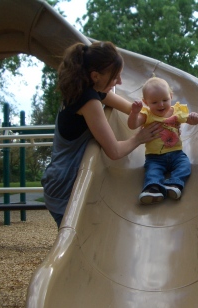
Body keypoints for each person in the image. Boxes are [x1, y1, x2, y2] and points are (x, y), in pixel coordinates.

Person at [41, 41, 161, 228]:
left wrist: (158, 111)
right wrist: (139, 138)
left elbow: (131, 108)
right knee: (76, 243)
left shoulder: (91, 90)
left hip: (60, 177)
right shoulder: (88, 101)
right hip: (64, 185)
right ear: (96, 76)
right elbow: (114, 150)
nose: (119, 83)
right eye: (115, 78)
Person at [128, 77, 198, 205]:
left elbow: (190, 120)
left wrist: (194, 118)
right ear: (146, 102)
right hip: (155, 157)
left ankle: (174, 184)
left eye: (165, 100)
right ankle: (153, 189)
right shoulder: (146, 115)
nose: (161, 104)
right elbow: (133, 125)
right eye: (154, 102)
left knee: (185, 166)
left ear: (171, 96)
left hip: (176, 153)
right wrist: (134, 113)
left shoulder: (176, 111)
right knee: (152, 171)